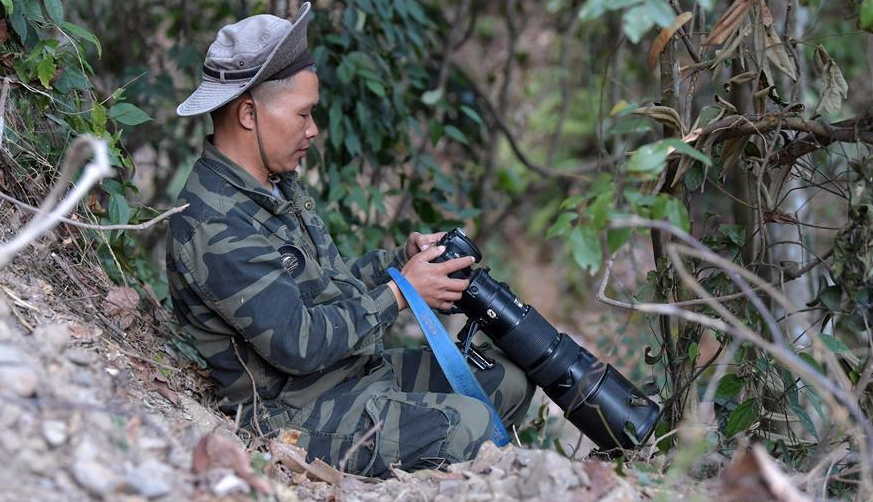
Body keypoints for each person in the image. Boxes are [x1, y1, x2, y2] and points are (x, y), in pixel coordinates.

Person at [166, 3, 534, 477]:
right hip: (293, 415)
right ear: (249, 114)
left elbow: (326, 286)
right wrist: (400, 293)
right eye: (303, 114)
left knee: (509, 380)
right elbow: (298, 342)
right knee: (471, 425)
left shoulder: (272, 184)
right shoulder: (214, 223)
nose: (313, 130)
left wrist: (400, 262)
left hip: (352, 372)